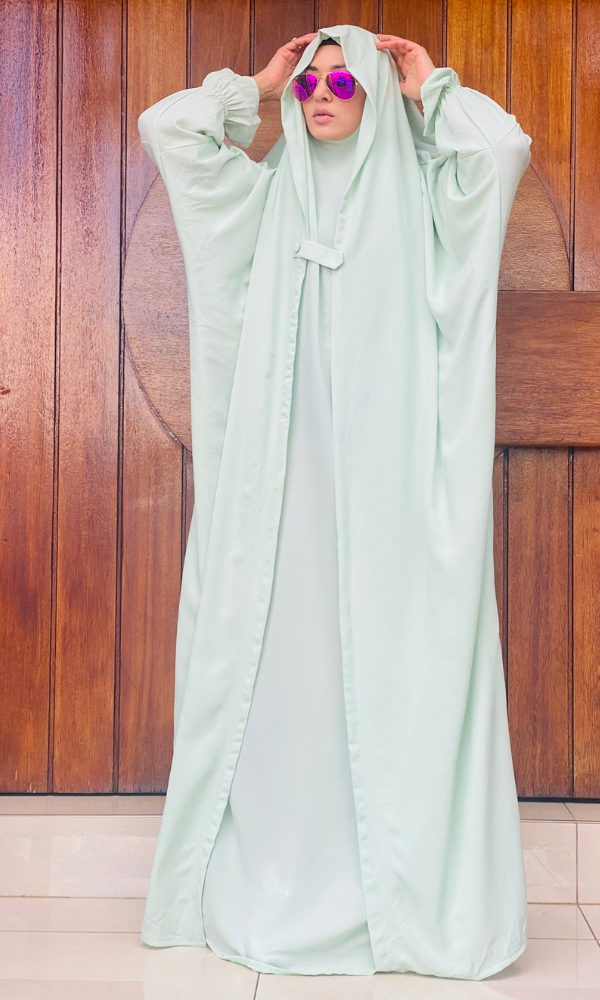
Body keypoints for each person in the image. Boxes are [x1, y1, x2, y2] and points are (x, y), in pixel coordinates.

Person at [137, 23, 532, 981]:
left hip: (393, 501)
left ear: (374, 98)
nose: (321, 95)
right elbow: (169, 130)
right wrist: (256, 88)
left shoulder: (430, 204)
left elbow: (499, 151)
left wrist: (430, 89)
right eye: (311, 83)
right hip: (280, 508)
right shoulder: (263, 197)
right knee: (286, 680)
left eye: (341, 83)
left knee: (393, 671)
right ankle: (277, 879)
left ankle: (393, 902)